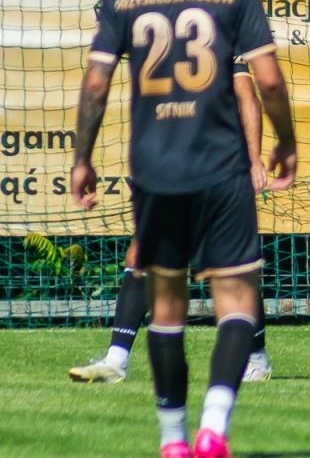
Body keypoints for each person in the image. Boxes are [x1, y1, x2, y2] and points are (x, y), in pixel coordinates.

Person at [70, 0, 298, 458]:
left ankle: (172, 438)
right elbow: (266, 82)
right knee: (236, 299)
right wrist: (285, 141)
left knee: (165, 306)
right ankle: (214, 427)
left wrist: (81, 158)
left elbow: (95, 86)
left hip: (155, 170)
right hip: (221, 168)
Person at [69, 64, 274, 384]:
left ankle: (255, 356)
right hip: (170, 160)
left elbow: (247, 92)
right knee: (141, 252)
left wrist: (254, 158)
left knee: (230, 265)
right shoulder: (154, 33)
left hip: (220, 162)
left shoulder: (219, 23)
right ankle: (116, 360)